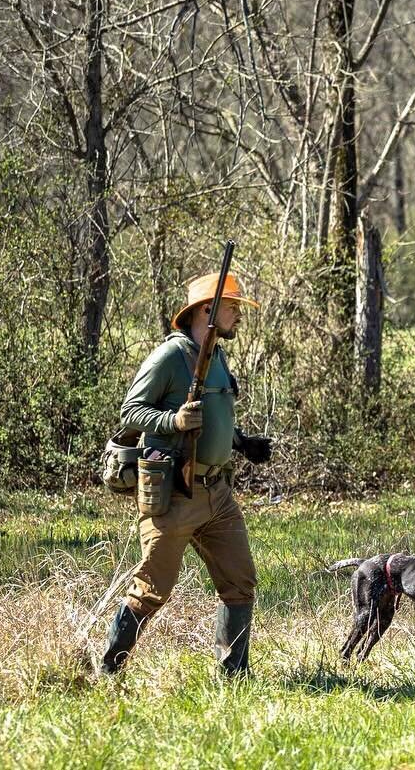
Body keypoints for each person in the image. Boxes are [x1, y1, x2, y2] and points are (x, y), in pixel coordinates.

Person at [98, 271, 273, 676]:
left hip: (217, 494)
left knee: (240, 582)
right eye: (232, 307)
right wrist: (173, 422)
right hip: (174, 493)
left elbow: (212, 416)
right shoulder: (170, 357)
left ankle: (233, 677)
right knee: (150, 591)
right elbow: (130, 412)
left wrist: (242, 442)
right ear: (206, 311)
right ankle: (108, 672)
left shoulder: (216, 354)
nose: (238, 316)